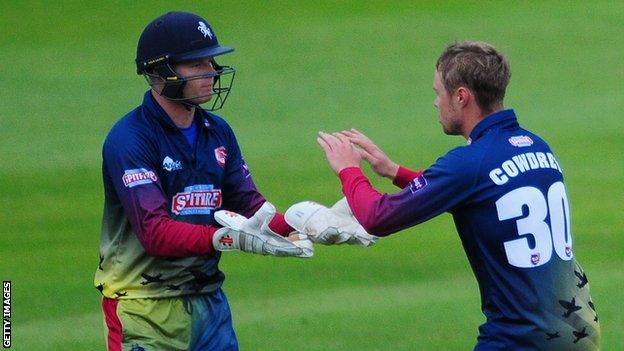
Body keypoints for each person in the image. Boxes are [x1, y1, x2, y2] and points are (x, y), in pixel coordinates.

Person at [316, 41, 601, 350]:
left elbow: (377, 217)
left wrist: (348, 170)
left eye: (439, 93)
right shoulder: (536, 145)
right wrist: (394, 171)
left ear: (462, 96)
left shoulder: (470, 162)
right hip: (577, 332)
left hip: (520, 338)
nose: (436, 103)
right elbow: (482, 197)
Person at [94, 11, 314, 351]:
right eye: (196, 64)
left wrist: (307, 224)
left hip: (209, 302)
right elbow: (155, 234)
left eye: (211, 61)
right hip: (144, 306)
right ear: (161, 71)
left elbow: (250, 205)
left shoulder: (218, 132)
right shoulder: (130, 140)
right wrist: (230, 239)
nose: (211, 72)